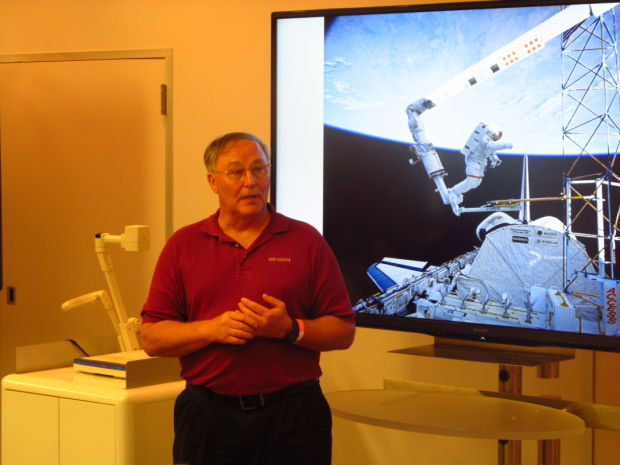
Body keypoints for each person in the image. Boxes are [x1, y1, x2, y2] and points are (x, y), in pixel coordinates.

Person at [140, 132, 356, 465]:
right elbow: (152, 338)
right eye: (236, 172)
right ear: (213, 181)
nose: (250, 182)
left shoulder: (306, 241)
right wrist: (212, 330)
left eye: (260, 169)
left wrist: (290, 329)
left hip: (294, 416)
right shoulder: (183, 245)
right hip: (208, 417)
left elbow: (343, 331)